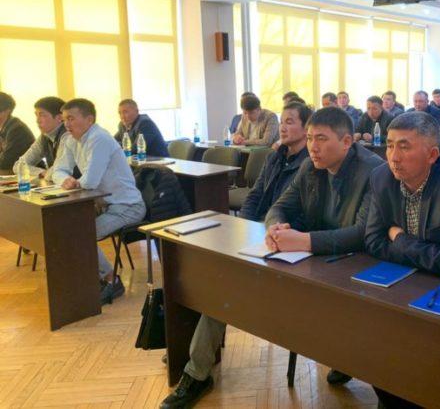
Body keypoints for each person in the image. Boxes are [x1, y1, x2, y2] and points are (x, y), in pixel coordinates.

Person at [160, 107, 384, 409]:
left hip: (353, 268)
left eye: (321, 139)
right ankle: (197, 373)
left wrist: (304, 240)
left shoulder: (373, 171)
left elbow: (362, 234)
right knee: (225, 282)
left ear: (346, 142)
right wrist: (275, 227)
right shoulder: (311, 166)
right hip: (310, 260)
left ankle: (348, 358)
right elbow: (279, 206)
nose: (313, 147)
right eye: (309, 138)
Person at [364, 111, 440, 409]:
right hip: (398, 286)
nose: (393, 156)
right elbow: (374, 241)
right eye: (390, 145)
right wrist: (423, 252)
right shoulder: (381, 177)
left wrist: (400, 238)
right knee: (370, 343)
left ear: (432, 155)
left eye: (404, 146)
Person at [52, 99, 145, 304]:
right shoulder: (69, 139)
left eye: (71, 118)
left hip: (127, 206)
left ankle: (111, 280)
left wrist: (74, 182)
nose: (67, 124)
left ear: (89, 119)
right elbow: (56, 171)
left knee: (81, 234)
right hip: (102, 205)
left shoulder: (99, 138)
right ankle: (87, 279)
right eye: (64, 119)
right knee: (63, 229)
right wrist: (65, 180)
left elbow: (90, 181)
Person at [239, 102, 311, 221]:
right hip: (263, 222)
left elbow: (301, 212)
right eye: (281, 122)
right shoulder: (273, 158)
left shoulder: (310, 163)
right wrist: (243, 222)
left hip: (284, 226)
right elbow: (255, 195)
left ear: (306, 129)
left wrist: (274, 227)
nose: (282, 128)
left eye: (289, 122)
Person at [12, 96, 68, 180]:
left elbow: (59, 170)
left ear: (60, 118)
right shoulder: (44, 137)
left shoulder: (69, 135)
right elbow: (18, 166)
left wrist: (49, 173)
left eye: (42, 115)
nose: (37, 120)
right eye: (36, 115)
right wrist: (42, 172)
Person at [0, 92, 35, 173]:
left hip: (28, 175)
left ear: (7, 111)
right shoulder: (5, 127)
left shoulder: (17, 129)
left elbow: (6, 162)